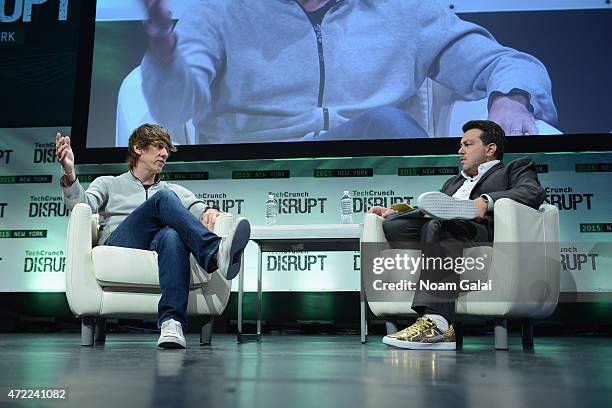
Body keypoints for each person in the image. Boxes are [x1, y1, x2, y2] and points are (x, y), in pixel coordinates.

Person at [139, 0, 557, 144]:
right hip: (258, 163)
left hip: (373, 166)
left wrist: (510, 98)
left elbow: (505, 61)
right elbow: (173, 107)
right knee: (389, 121)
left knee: (387, 123)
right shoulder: (221, 11)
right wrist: (163, 52)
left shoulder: (403, 11)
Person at [56, 124, 251, 349]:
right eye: (159, 147)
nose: (165, 154)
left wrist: (210, 212)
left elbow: (199, 208)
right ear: (138, 148)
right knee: (163, 199)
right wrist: (70, 173)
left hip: (159, 245)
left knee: (171, 236)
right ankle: (214, 253)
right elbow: (82, 207)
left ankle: (171, 323)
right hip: (121, 243)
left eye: (166, 149)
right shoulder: (108, 183)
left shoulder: (173, 189)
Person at [368, 120, 545, 350]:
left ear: (490, 149)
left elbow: (532, 192)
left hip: (484, 232)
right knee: (394, 226)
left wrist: (486, 201)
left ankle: (438, 325)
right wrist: (398, 210)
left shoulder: (515, 168)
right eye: (460, 145)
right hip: (447, 229)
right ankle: (443, 224)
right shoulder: (453, 182)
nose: (460, 151)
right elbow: (432, 210)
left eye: (467, 144)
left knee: (439, 226)